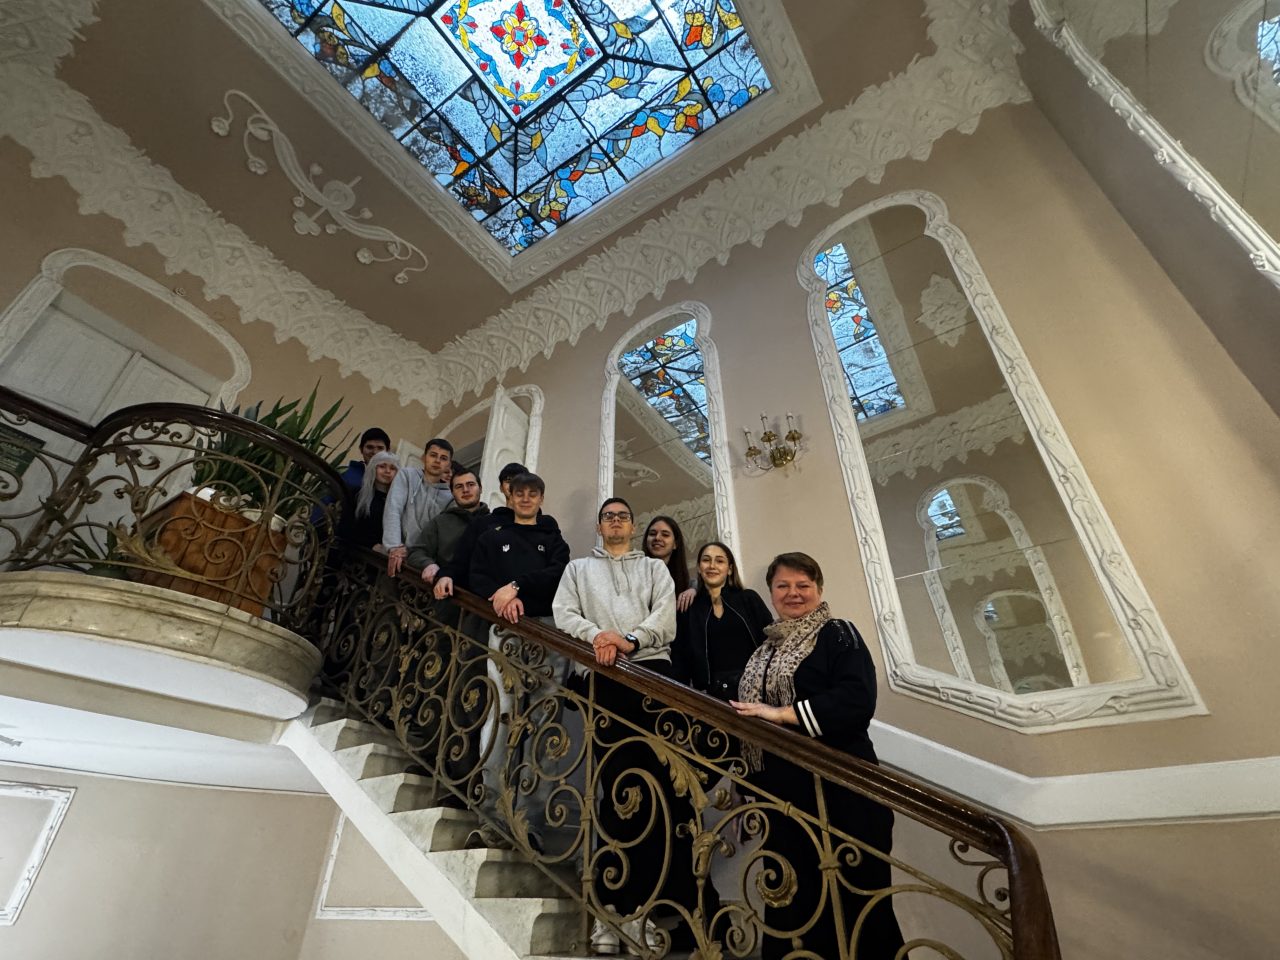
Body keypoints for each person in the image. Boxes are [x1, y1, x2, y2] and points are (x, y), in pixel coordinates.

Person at [730, 552, 904, 960]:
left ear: (819, 590)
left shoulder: (837, 633)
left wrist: (783, 714)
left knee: (857, 908)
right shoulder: (763, 651)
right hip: (785, 802)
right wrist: (744, 785)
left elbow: (856, 699)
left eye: (803, 585)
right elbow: (749, 720)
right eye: (783, 586)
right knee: (792, 904)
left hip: (842, 793)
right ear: (771, 593)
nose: (793, 593)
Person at [553, 498, 708, 956]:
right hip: (602, 678)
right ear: (599, 526)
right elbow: (565, 613)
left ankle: (644, 910)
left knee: (654, 793)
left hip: (650, 676)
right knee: (614, 791)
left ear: (632, 525)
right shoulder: (578, 569)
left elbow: (665, 616)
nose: (616, 522)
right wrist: (598, 637)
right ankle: (612, 911)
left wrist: (630, 639)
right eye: (609, 517)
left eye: (623, 516)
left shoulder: (655, 569)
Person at [467, 472, 572, 852]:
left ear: (541, 498)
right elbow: (476, 577)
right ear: (509, 497)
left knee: (545, 721)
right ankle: (491, 816)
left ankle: (532, 821)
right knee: (500, 715)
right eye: (520, 493)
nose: (526, 498)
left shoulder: (553, 538)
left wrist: (517, 586)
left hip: (548, 632)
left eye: (533, 493)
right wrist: (501, 597)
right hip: (506, 631)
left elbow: (560, 574)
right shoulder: (492, 537)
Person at [672, 540, 771, 701]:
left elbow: (770, 641)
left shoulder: (748, 599)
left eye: (719, 561)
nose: (712, 566)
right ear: (699, 568)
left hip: (754, 690)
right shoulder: (689, 608)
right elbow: (680, 657)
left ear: (730, 569)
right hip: (709, 696)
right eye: (706, 560)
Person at [383, 437, 454, 576]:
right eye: (433, 455)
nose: (437, 461)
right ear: (423, 457)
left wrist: (422, 558)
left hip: (422, 562)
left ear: (448, 465)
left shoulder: (449, 498)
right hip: (394, 553)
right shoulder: (407, 475)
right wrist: (394, 547)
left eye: (443, 458)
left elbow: (439, 535)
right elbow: (393, 509)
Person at [407, 466, 489, 581]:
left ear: (480, 488)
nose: (465, 490)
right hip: (447, 585)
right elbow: (416, 552)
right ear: (452, 493)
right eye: (459, 486)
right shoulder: (440, 522)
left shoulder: (495, 522)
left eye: (471, 484)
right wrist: (428, 564)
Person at [336, 450, 399, 550]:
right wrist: (371, 545)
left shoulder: (398, 502)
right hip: (352, 552)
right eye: (382, 466)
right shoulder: (357, 495)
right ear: (373, 469)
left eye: (392, 468)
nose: (387, 471)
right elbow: (344, 529)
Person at [642, 515, 697, 613]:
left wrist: (695, 590)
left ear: (675, 544)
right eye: (652, 534)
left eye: (665, 535)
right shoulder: (635, 576)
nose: (657, 538)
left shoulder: (688, 585)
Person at [339, 427, 390, 491]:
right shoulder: (345, 475)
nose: (375, 452)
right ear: (361, 449)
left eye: (380, 448)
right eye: (370, 447)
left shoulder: (394, 479)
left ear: (388, 451)